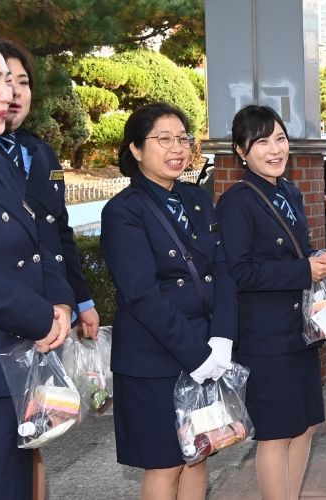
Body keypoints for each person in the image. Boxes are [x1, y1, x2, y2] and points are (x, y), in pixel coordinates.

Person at [100, 102, 238, 500]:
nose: (177, 148)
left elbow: (222, 268)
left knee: (200, 453)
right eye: (163, 139)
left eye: (183, 138)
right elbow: (142, 294)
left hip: (207, 347)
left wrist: (223, 336)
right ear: (136, 149)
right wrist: (196, 355)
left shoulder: (197, 198)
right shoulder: (123, 211)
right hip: (155, 358)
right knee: (165, 464)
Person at [0, 38, 102, 500]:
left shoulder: (40, 152)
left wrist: (77, 300)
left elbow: (57, 233)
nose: (13, 92)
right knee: (8, 443)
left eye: (22, 81)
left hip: (48, 310)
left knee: (41, 427)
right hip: (6, 318)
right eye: (1, 80)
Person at [0, 25, 73, 500]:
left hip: (10, 367)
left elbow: (42, 237)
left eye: (11, 82)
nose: (8, 94)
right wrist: (39, 316)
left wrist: (59, 301)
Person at [216, 105, 326, 500]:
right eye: (262, 142)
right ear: (241, 151)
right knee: (275, 434)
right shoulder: (237, 201)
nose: (275, 149)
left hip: (299, 332)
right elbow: (240, 272)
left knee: (304, 427)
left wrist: (317, 259)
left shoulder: (290, 191)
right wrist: (303, 270)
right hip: (264, 338)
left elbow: (291, 253)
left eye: (280, 138)